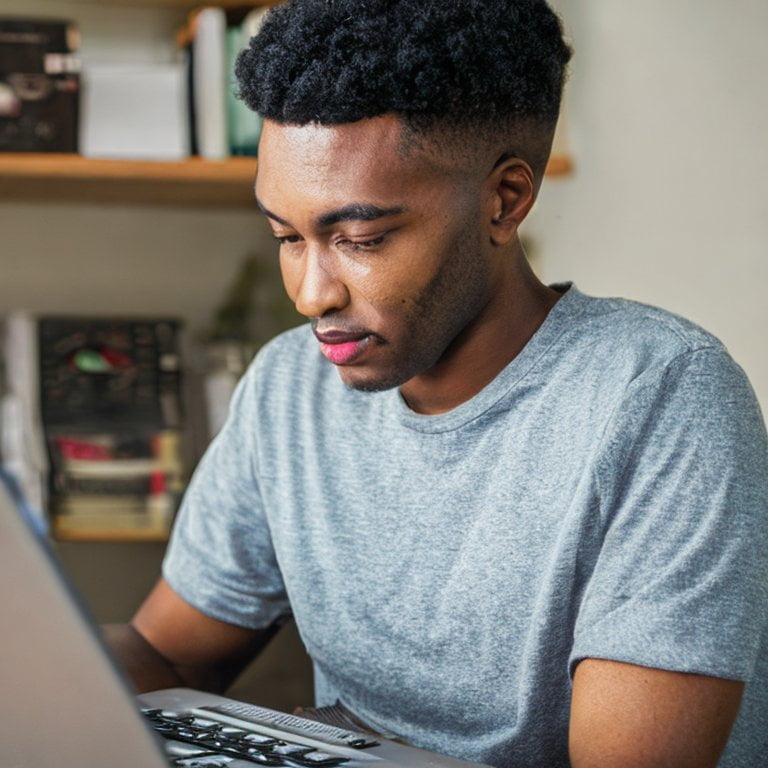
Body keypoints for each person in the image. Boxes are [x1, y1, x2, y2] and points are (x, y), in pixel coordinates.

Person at [105, 1, 768, 766]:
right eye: (286, 236)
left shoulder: (664, 397)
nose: (311, 294)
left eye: (360, 239)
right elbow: (171, 656)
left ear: (505, 200)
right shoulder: (291, 387)